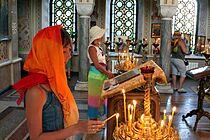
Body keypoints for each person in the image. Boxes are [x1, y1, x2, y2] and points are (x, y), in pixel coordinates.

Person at [13, 25, 104, 140]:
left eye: (69, 50)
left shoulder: (55, 82)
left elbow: (60, 119)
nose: (69, 56)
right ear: (47, 53)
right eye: (63, 51)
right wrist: (76, 128)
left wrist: (83, 125)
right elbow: (36, 137)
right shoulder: (36, 91)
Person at [87, 26, 114, 120]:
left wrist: (108, 70)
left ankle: (101, 118)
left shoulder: (99, 47)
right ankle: (93, 120)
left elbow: (103, 62)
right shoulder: (91, 48)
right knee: (95, 97)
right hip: (95, 75)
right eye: (100, 35)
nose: (102, 36)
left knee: (103, 96)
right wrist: (107, 73)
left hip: (102, 74)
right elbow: (97, 65)